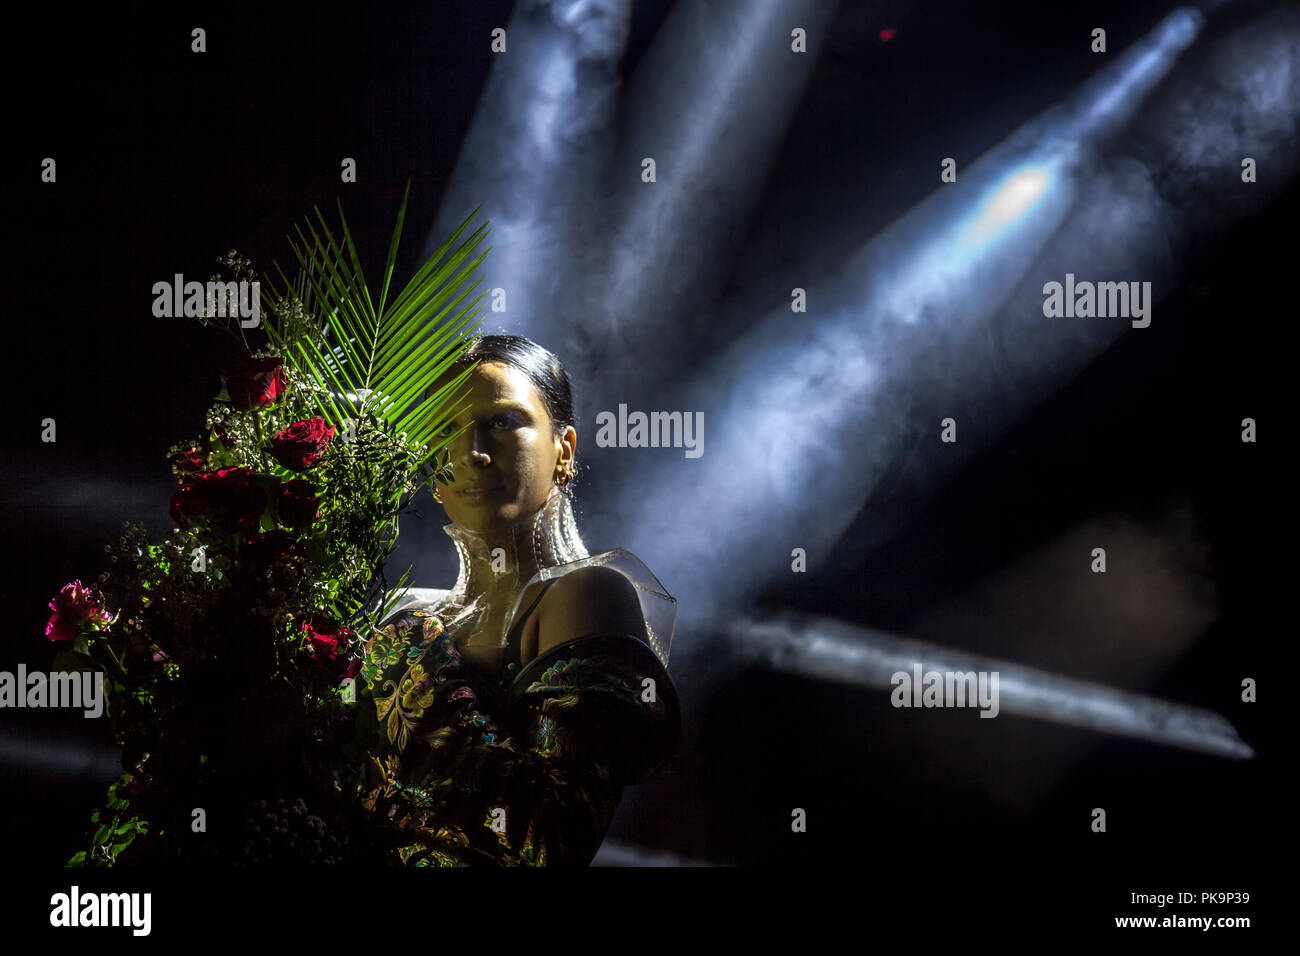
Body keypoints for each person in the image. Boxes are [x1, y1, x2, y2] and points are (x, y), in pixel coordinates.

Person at [354, 334, 681, 865]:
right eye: (444, 431)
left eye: (503, 422)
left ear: (565, 449)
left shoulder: (584, 593)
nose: (473, 453)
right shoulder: (405, 610)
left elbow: (552, 832)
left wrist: (413, 683)